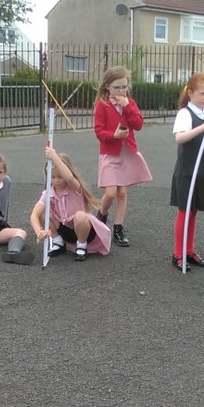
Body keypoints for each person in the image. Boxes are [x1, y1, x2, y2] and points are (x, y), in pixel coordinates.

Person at [169, 72, 204, 269]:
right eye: (202, 93)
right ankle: (178, 254)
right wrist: (202, 128)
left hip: (201, 170)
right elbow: (180, 138)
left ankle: (189, 250)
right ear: (190, 93)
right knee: (185, 212)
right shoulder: (185, 114)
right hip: (187, 171)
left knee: (193, 213)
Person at [93, 66, 150, 247]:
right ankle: (101, 215)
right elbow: (99, 132)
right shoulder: (102, 105)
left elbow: (138, 124)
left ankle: (118, 227)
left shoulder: (129, 103)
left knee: (122, 192)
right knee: (110, 193)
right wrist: (114, 135)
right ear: (107, 86)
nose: (121, 91)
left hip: (125, 152)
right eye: (117, 87)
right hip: (109, 153)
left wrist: (128, 106)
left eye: (124, 87)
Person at [30, 147, 111, 261]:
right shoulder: (48, 193)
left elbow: (69, 177)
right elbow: (34, 215)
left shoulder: (74, 187)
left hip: (85, 231)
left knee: (80, 216)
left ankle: (81, 246)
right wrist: (39, 232)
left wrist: (54, 157)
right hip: (66, 232)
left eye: (60, 177)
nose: (56, 180)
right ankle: (58, 242)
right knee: (44, 213)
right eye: (52, 177)